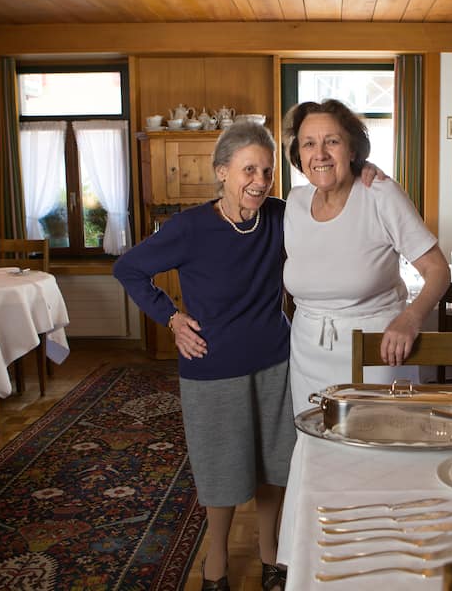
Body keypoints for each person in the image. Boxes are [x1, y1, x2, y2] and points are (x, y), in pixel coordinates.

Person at [113, 122, 292, 591]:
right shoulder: (190, 227)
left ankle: (271, 554)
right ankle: (216, 563)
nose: (259, 180)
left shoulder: (279, 215)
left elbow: (334, 213)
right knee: (222, 470)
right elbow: (129, 269)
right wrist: (171, 319)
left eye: (267, 171)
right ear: (221, 172)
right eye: (248, 169)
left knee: (276, 466)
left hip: (276, 360)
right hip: (212, 367)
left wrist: (368, 172)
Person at [282, 98, 451, 414]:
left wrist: (411, 318)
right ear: (298, 155)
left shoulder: (381, 195)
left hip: (379, 352)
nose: (319, 153)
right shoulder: (294, 202)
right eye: (308, 144)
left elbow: (438, 270)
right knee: (317, 451)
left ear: (352, 150)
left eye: (332, 141)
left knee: (381, 450)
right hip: (307, 355)